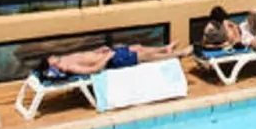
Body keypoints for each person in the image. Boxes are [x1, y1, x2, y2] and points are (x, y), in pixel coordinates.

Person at [200, 5, 256, 75]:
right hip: (244, 40)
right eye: (221, 20)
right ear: (214, 19)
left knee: (255, 11)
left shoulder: (223, 21)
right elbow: (205, 44)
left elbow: (234, 25)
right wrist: (224, 45)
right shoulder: (210, 29)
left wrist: (237, 34)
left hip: (242, 30)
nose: (223, 21)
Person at [43, 40, 185, 77]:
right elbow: (93, 69)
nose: (52, 56)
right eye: (50, 59)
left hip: (105, 54)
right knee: (145, 56)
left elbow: (85, 56)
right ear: (52, 66)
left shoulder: (64, 59)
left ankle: (164, 48)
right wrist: (106, 58)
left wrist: (97, 51)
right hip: (111, 60)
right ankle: (177, 54)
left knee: (137, 47)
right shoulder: (68, 67)